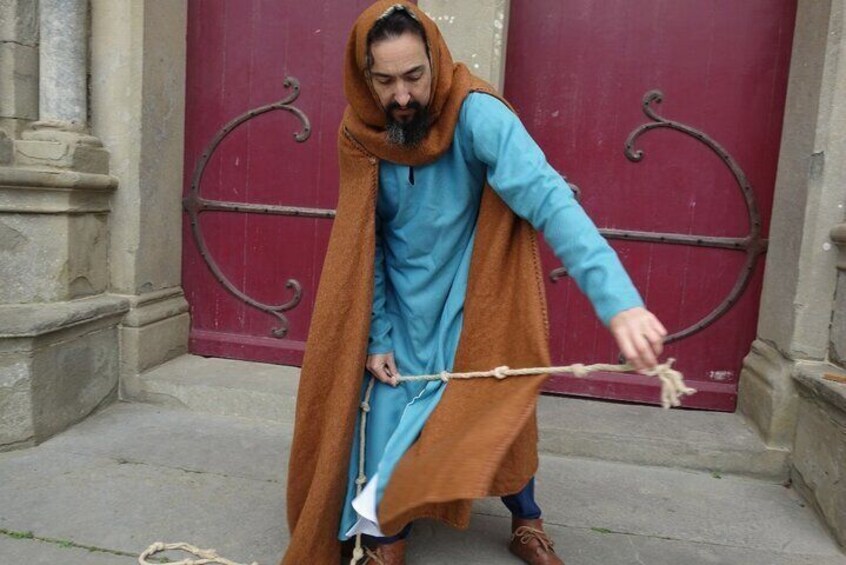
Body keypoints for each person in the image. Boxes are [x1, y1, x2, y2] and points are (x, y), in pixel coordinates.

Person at [282, 2, 666, 565]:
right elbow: (366, 246)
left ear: (435, 61)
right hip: (405, 315)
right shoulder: (360, 131)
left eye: (414, 76)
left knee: (494, 417)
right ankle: (386, 543)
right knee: (386, 434)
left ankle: (527, 520)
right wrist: (378, 334)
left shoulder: (477, 112)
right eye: (385, 81)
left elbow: (549, 197)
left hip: (473, 297)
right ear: (365, 79)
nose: (403, 96)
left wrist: (619, 302)